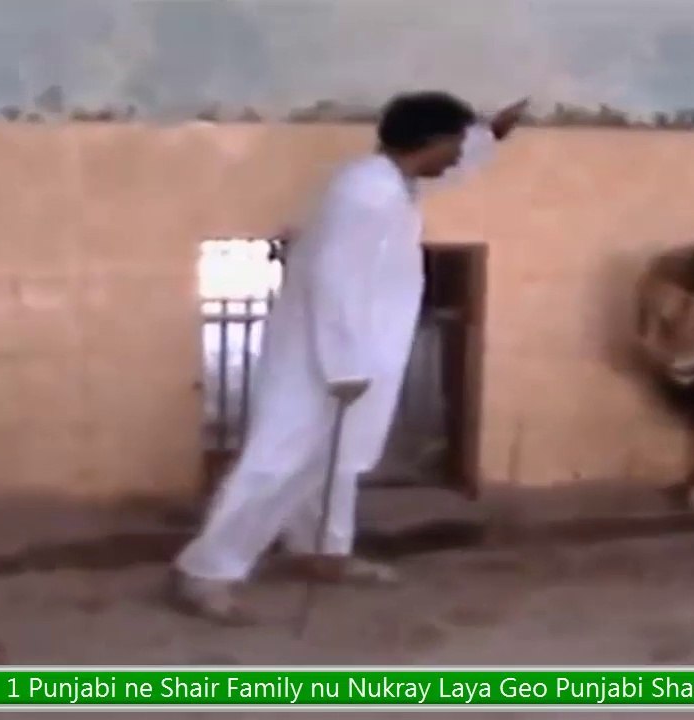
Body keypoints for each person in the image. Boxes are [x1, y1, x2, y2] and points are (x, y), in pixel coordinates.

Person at [172, 91, 529, 622]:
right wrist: (343, 366)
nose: (458, 155)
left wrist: (488, 138)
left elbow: (445, 174)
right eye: (456, 142)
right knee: (278, 462)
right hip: (325, 354)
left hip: (357, 348)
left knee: (335, 460)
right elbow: (329, 279)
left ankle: (322, 550)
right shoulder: (363, 194)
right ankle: (207, 571)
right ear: (429, 142)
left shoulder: (389, 182)